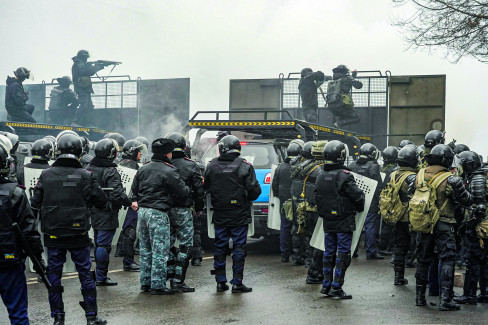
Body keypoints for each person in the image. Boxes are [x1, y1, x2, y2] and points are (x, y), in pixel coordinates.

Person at [30, 133, 108, 325]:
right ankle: (91, 317)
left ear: (58, 150)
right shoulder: (86, 176)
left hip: (53, 234)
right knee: (85, 273)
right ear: (80, 151)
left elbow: (34, 204)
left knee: (54, 275)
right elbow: (101, 202)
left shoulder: (46, 174)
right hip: (78, 233)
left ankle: (58, 317)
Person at [413, 144, 472, 311]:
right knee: (447, 259)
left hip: (423, 223)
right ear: (446, 159)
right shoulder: (451, 178)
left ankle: (419, 298)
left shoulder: (419, 174)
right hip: (445, 224)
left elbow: (412, 194)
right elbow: (467, 200)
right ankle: (445, 300)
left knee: (423, 260)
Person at [130, 138, 190, 295]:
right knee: (160, 250)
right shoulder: (169, 170)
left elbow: (134, 189)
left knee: (145, 249)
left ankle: (145, 283)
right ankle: (158, 285)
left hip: (142, 212)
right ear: (168, 154)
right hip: (158, 213)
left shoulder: (143, 168)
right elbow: (182, 192)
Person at [204, 135, 261, 293]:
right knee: (239, 247)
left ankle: (220, 282)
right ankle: (237, 283)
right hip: (239, 214)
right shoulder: (245, 166)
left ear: (222, 148)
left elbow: (205, 187)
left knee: (220, 247)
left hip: (220, 213)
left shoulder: (211, 165)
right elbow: (254, 191)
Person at [0, 143, 44, 325]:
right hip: (9, 260)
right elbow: (29, 231)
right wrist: (38, 259)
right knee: (18, 314)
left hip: (9, 259)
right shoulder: (15, 193)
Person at [316, 140, 365, 299]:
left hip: (328, 221)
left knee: (328, 252)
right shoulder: (345, 176)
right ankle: (337, 287)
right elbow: (357, 196)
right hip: (344, 220)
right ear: (342, 156)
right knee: (343, 254)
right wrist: (360, 206)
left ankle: (326, 285)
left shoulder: (320, 174)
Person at [86, 139, 131, 286]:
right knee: (103, 245)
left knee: (98, 242)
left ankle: (98, 275)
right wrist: (129, 202)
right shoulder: (110, 171)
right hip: (106, 212)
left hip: (91, 211)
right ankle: (100, 276)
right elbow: (116, 194)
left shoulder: (89, 168)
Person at [165, 133, 204, 292]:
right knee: (186, 246)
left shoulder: (162, 164)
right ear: (184, 146)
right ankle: (178, 280)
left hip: (164, 211)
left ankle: (167, 276)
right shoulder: (191, 165)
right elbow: (198, 190)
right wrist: (199, 207)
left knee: (166, 245)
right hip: (183, 210)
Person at [454, 151, 486, 305]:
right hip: (482, 227)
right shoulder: (477, 176)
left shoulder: (478, 178)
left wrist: (468, 226)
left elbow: (479, 208)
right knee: (484, 261)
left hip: (478, 228)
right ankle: (484, 293)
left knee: (472, 261)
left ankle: (470, 295)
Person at [388, 145, 419, 285]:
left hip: (397, 214)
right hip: (411, 216)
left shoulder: (393, 174)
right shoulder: (412, 177)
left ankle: (398, 277)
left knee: (400, 246)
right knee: (418, 245)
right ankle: (420, 279)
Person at [349, 143, 384, 259]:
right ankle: (371, 252)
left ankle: (352, 251)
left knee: (355, 225)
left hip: (355, 200)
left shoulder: (352, 164)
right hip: (371, 202)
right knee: (370, 226)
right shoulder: (373, 166)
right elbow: (378, 187)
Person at [300, 141, 328, 284]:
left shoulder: (307, 166)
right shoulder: (321, 170)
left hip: (308, 207)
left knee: (310, 237)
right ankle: (314, 272)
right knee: (320, 242)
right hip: (319, 210)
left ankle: (309, 261)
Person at [272, 139, 303, 262]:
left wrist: (281, 198)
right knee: (298, 227)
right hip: (298, 202)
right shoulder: (300, 167)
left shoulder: (280, 168)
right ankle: (297, 256)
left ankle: (284, 255)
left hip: (284, 203)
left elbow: (275, 186)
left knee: (284, 228)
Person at [117, 139, 144, 272]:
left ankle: (122, 253)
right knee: (130, 231)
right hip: (131, 203)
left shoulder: (121, 163)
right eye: (138, 151)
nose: (140, 154)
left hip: (123, 203)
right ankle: (128, 261)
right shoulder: (132, 166)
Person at [290, 141, 315, 266]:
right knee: (309, 230)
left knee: (297, 228)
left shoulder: (294, 163)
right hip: (308, 202)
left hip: (296, 200)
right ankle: (309, 258)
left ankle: (296, 257)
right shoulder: (314, 167)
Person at [71, 50, 106, 126]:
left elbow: (88, 71)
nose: (86, 59)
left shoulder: (80, 63)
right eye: (85, 58)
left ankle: (88, 123)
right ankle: (75, 121)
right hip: (81, 88)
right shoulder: (79, 63)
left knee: (89, 106)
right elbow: (87, 72)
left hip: (84, 87)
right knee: (84, 104)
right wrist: (98, 66)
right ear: (82, 57)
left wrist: (98, 66)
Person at [377, 146, 399, 256]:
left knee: (385, 223)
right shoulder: (395, 170)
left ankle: (382, 245)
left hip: (382, 198)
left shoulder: (381, 168)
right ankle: (385, 246)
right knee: (389, 224)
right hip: (391, 199)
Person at [326, 65, 362, 129]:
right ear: (345, 71)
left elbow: (344, 84)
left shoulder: (332, 80)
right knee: (356, 118)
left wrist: (352, 77)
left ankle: (337, 126)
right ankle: (339, 123)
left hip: (331, 105)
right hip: (340, 105)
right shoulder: (347, 78)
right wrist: (353, 77)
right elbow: (358, 85)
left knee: (343, 116)